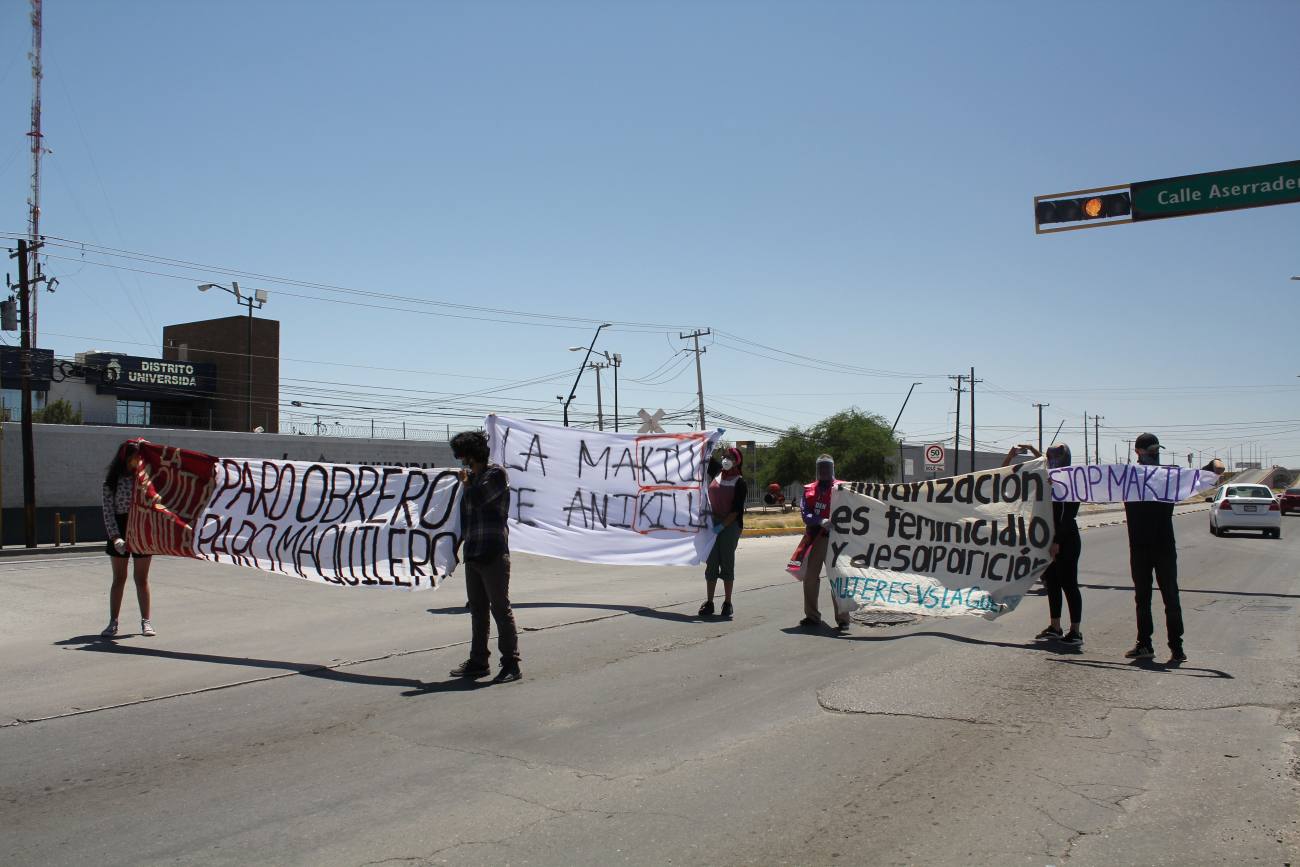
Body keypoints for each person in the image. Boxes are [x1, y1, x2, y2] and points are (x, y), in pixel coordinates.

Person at [447, 430, 522, 683]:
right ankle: (479, 661)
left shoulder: (495, 475)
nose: (462, 461)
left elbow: (479, 499)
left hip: (492, 552)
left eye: (463, 455)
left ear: (472, 454)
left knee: (500, 608)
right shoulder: (472, 479)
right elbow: (463, 518)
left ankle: (511, 663)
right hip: (473, 553)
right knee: (477, 611)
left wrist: (467, 483)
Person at [1004, 443, 1083, 648]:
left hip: (1065, 538)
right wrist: (1028, 451)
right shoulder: (1047, 477)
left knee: (1069, 584)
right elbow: (1007, 475)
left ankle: (1075, 631)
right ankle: (1055, 626)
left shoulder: (1070, 481)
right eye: (1050, 458)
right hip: (1046, 538)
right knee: (1052, 583)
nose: (1053, 462)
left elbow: (1067, 516)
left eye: (1057, 458)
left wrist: (1057, 541)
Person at [1124, 433, 1185, 664]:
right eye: (1150, 450)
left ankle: (1177, 647)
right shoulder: (1127, 476)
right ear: (1138, 451)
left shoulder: (1169, 476)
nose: (1155, 454)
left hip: (1163, 545)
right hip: (1139, 545)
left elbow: (1209, 472)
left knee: (1171, 596)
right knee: (1143, 598)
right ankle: (1144, 644)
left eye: (1156, 450)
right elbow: (1092, 484)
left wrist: (1215, 467)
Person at [790, 454, 850, 633]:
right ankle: (812, 616)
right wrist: (819, 520)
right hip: (816, 539)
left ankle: (843, 618)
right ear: (817, 470)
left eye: (827, 467)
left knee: (838, 579)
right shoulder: (808, 490)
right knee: (810, 578)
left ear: (832, 469)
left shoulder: (843, 488)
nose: (824, 471)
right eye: (820, 467)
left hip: (838, 541)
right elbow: (805, 514)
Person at [100, 441, 155, 638]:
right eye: (134, 457)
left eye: (140, 457)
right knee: (119, 578)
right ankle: (113, 622)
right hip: (120, 528)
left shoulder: (145, 479)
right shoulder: (111, 482)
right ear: (125, 457)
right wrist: (115, 537)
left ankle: (146, 622)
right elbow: (108, 512)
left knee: (141, 578)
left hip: (140, 527)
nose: (137, 460)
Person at [699, 447, 747, 619]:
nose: (726, 459)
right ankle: (709, 602)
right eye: (725, 456)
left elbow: (736, 510)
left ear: (737, 462)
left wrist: (722, 526)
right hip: (712, 523)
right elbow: (703, 455)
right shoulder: (717, 472)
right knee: (711, 563)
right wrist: (704, 441)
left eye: (730, 457)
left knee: (727, 562)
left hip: (730, 525)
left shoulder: (740, 482)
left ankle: (727, 603)